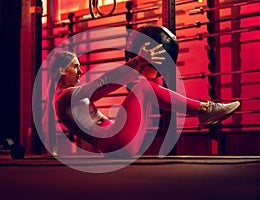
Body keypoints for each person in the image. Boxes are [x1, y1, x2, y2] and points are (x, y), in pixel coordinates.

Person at [43, 27, 240, 156]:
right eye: (75, 67)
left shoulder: (70, 97)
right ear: (62, 70)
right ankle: (205, 109)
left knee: (147, 86)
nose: (81, 71)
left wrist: (144, 65)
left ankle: (204, 111)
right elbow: (100, 87)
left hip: (117, 141)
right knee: (143, 87)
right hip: (115, 142)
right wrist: (137, 62)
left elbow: (105, 87)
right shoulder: (64, 98)